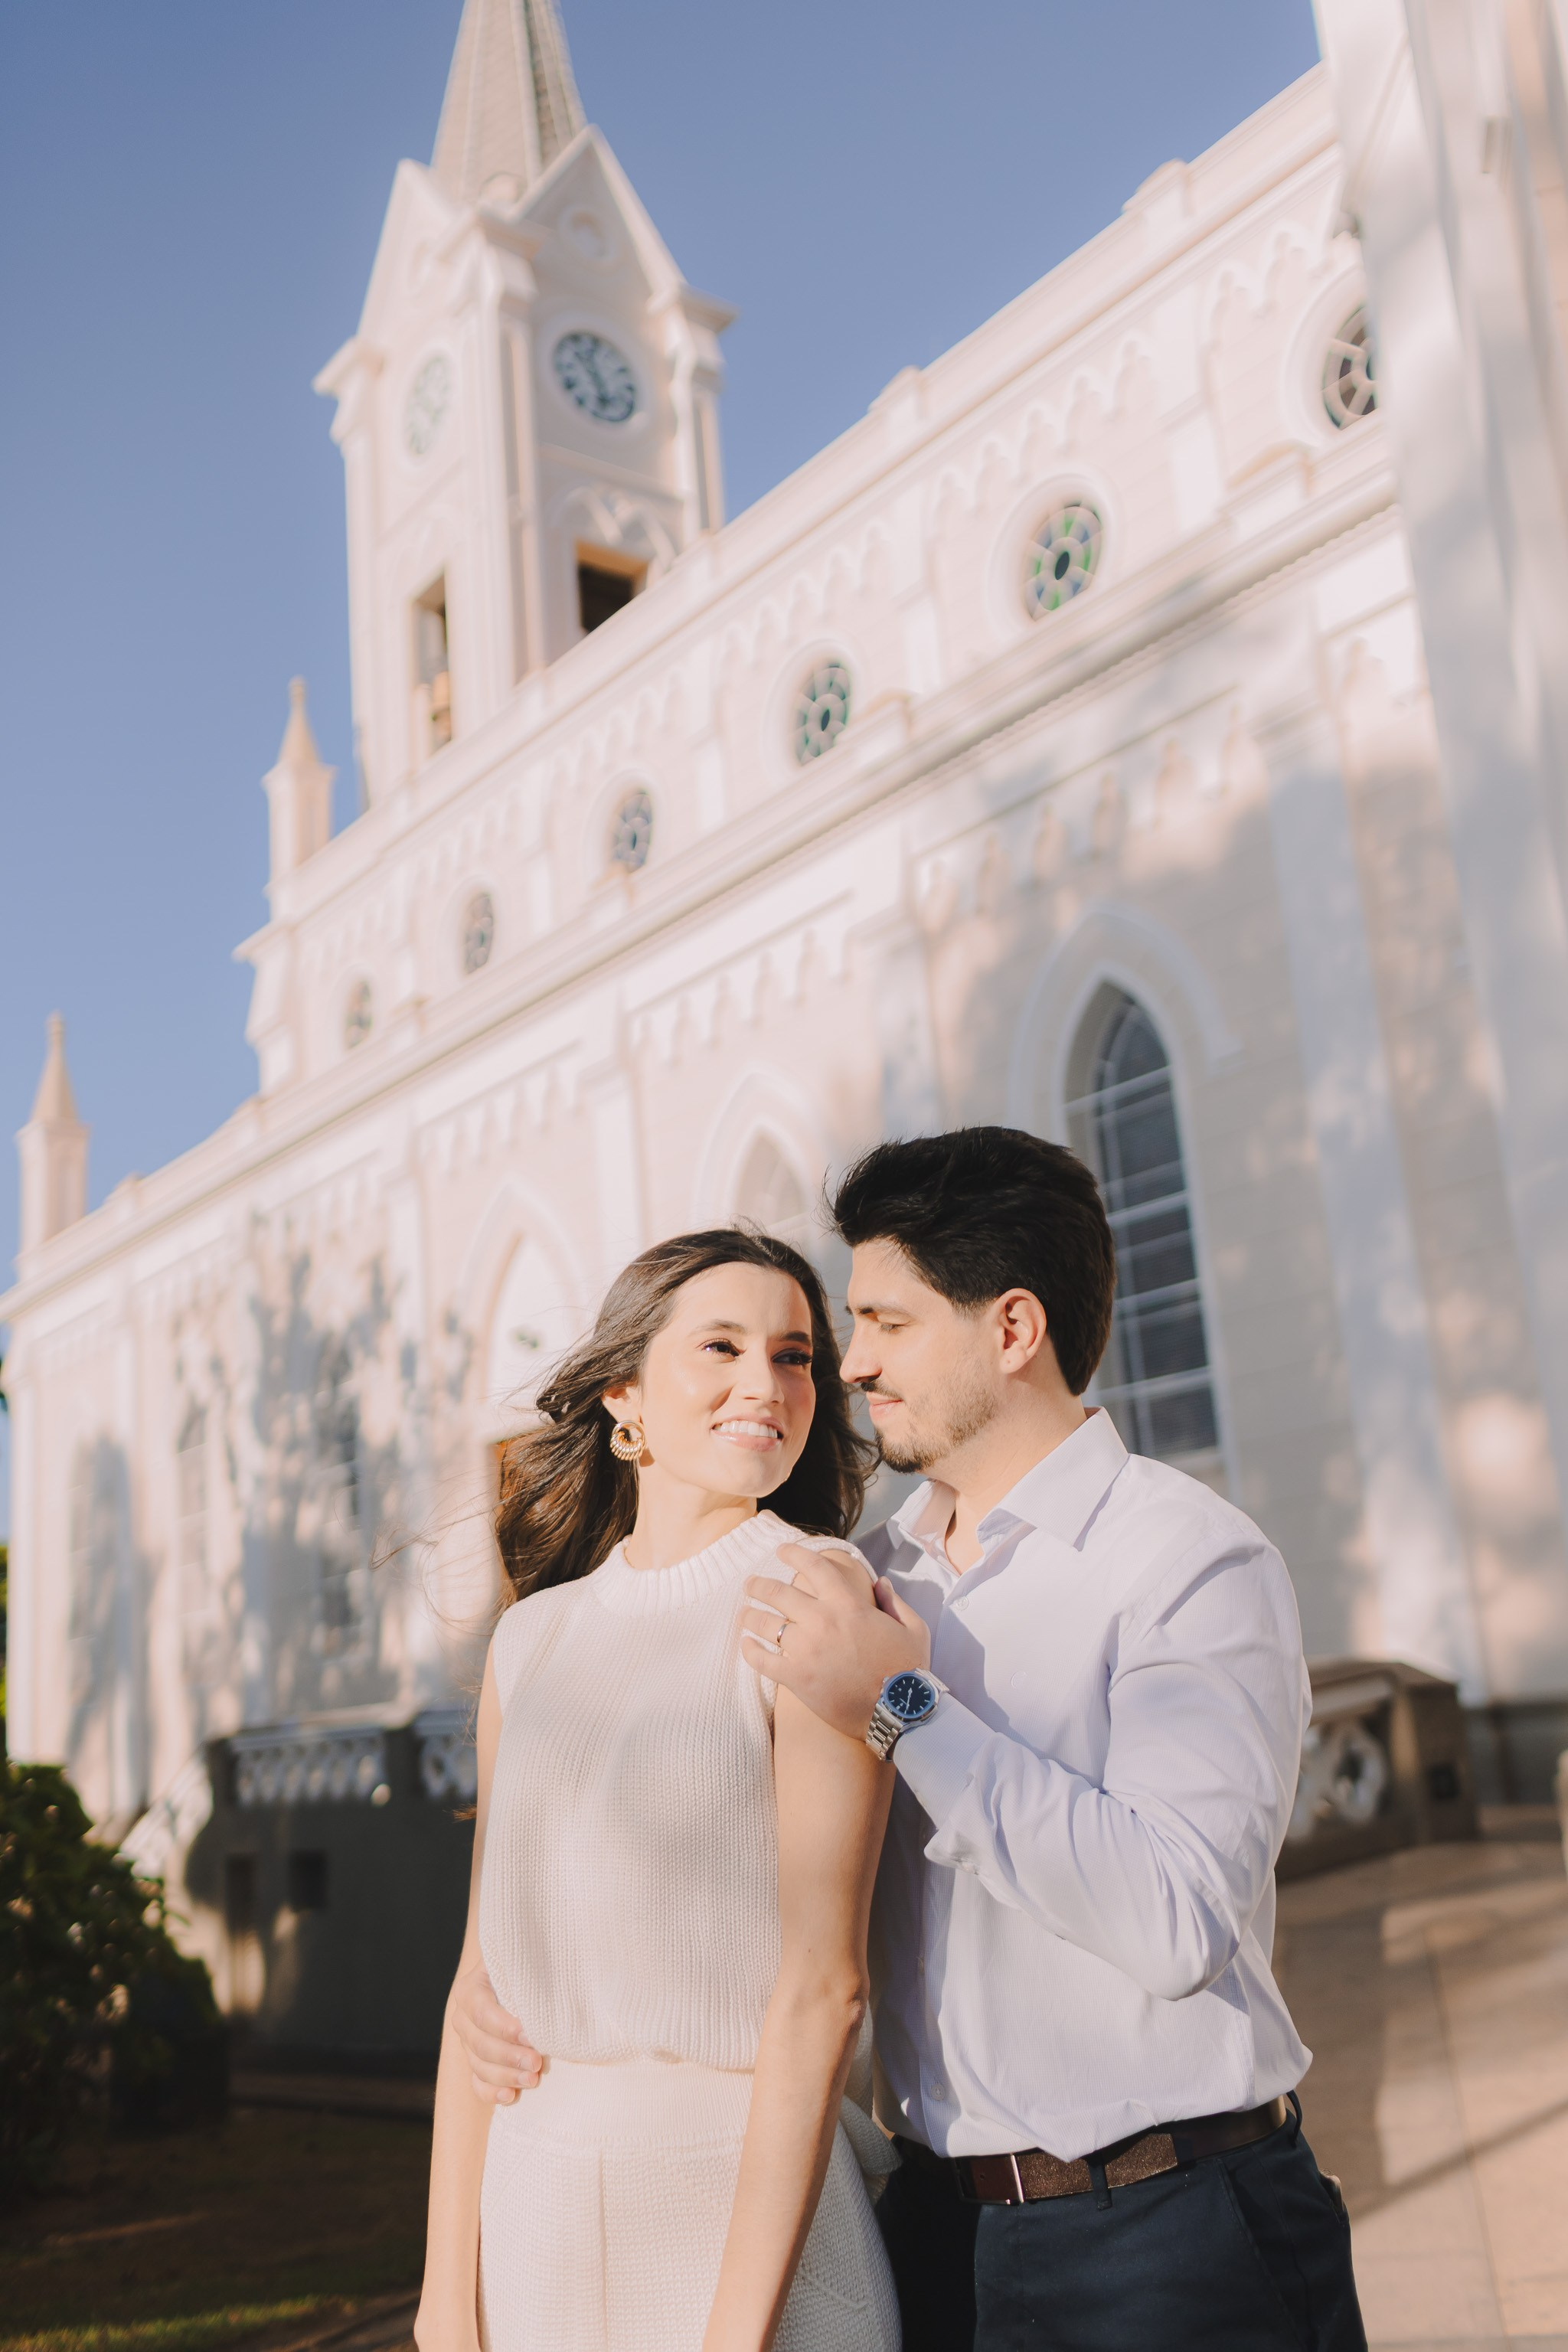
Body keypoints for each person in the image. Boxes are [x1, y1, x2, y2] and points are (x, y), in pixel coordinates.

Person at [452, 1129, 1367, 2350]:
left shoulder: (1187, 1560)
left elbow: (1177, 1919)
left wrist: (907, 1711)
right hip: (940, 2230)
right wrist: (498, 2004)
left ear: (1011, 1331)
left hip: (1170, 2231)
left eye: (882, 1325)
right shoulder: (860, 1576)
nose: (852, 1367)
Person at [414, 1229, 900, 2352]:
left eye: (793, 1356)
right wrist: (447, 2297)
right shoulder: (530, 1641)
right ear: (625, 1395)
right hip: (532, 2219)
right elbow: (476, 1978)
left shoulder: (816, 1593)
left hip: (741, 2222)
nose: (765, 1385)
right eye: (721, 1347)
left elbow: (823, 1993)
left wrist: (733, 2338)